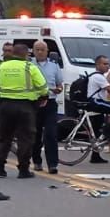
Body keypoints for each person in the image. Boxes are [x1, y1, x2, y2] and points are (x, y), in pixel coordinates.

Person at [0, 42, 48, 179]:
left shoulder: (0, 67)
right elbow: (43, 86)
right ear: (26, 54)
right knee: (25, 138)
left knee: (4, 137)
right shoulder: (30, 67)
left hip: (5, 106)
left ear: (13, 53)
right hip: (26, 107)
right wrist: (44, 97)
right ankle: (23, 169)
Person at [29, 40, 63, 174]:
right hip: (35, 102)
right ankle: (37, 161)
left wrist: (58, 89)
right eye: (37, 49)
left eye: (42, 49)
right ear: (33, 51)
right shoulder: (29, 65)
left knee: (50, 134)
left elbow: (60, 83)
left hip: (50, 102)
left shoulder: (54, 66)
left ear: (47, 51)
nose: (40, 52)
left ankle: (53, 164)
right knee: (35, 134)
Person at [84, 54, 110, 165]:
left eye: (108, 64)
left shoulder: (95, 76)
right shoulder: (98, 77)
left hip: (95, 104)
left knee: (96, 132)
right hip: (95, 102)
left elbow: (109, 92)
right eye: (105, 64)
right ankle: (107, 131)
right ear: (98, 64)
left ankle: (95, 156)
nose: (107, 66)